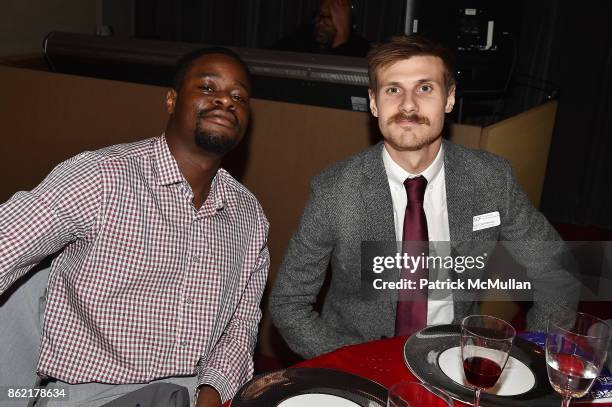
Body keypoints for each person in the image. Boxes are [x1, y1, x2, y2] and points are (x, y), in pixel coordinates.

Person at [269, 35, 578, 359]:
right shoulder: (335, 192)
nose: (408, 105)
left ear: (449, 97)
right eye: (393, 90)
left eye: (425, 88)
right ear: (374, 102)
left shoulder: (490, 180)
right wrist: (352, 364)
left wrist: (529, 354)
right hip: (361, 365)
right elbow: (288, 304)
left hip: (456, 363)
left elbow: (557, 268)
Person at [0, 47, 269, 407]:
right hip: (87, 394)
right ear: (172, 101)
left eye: (239, 96)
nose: (225, 100)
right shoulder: (100, 178)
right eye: (207, 87)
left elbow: (241, 326)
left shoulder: (249, 217)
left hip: (187, 392)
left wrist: (211, 394)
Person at [272, 0, 370, 57]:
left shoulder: (361, 49)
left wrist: (341, 36)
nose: (320, 22)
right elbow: (269, 55)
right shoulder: (302, 37)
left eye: (329, 17)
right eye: (319, 15)